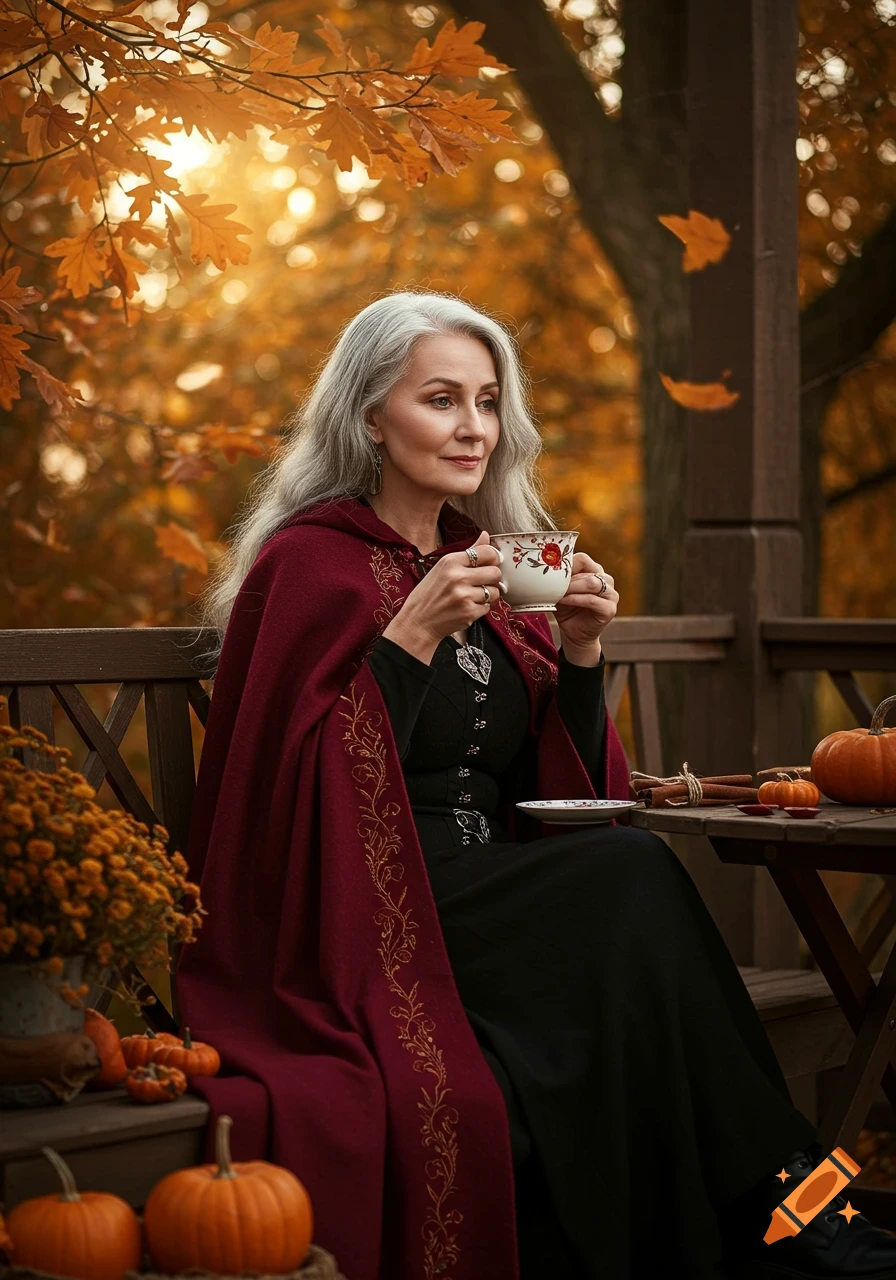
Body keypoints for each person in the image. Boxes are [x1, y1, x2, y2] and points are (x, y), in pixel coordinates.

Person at [175, 290, 896, 1280]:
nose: (473, 426)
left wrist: (582, 652)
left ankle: (798, 1211)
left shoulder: (484, 562)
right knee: (631, 879)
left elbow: (548, 777)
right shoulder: (306, 565)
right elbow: (277, 792)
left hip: (501, 896)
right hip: (371, 908)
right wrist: (407, 641)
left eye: (486, 401)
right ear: (370, 417)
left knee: (634, 914)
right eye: (440, 399)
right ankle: (803, 1216)